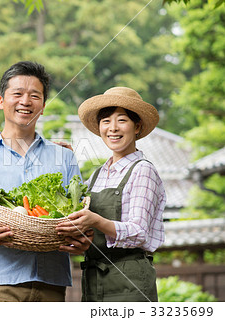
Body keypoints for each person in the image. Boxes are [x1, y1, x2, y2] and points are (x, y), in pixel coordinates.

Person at [0, 61, 92, 302]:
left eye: (35, 95)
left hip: (51, 283)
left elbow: (78, 214)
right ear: (1, 100)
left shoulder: (64, 156)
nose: (26, 101)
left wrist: (82, 237)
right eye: (17, 94)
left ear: (43, 106)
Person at [56, 87, 166, 302]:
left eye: (122, 120)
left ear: (137, 126)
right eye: (106, 121)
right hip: (94, 277)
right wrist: (66, 162)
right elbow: (77, 206)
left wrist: (96, 220)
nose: (113, 128)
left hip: (130, 281)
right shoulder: (98, 174)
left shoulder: (143, 170)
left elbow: (139, 232)